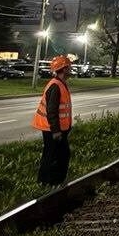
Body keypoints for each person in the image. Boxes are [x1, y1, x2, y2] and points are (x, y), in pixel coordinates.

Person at [32, 55, 73, 186]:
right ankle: (47, 182)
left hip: (57, 129)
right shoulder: (55, 86)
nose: (70, 69)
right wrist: (56, 131)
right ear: (64, 69)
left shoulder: (60, 83)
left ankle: (52, 181)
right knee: (54, 155)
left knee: (58, 155)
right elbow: (52, 111)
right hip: (53, 130)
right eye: (69, 67)